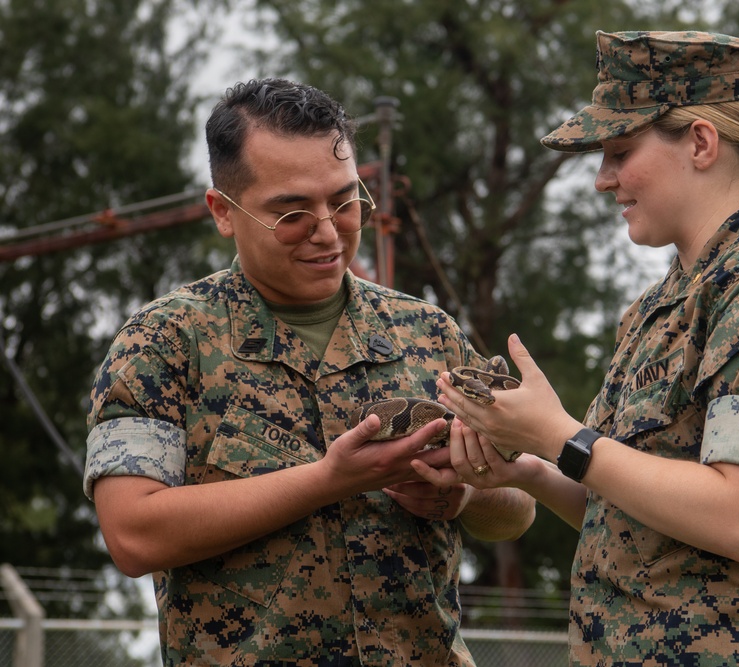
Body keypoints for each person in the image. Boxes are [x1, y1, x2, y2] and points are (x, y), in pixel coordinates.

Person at [424, 31, 739, 665]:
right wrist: (526, 462)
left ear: (700, 142)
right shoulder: (664, 303)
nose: (601, 180)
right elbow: (615, 497)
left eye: (619, 151)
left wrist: (560, 437)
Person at [83, 78, 535, 666]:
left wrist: (463, 493)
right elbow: (133, 535)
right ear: (223, 212)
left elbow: (519, 504)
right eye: (292, 212)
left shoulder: (429, 333)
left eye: (346, 202)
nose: (328, 230)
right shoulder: (163, 344)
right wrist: (332, 479)